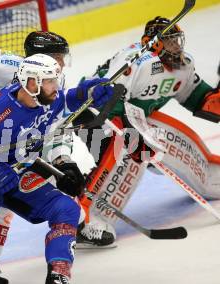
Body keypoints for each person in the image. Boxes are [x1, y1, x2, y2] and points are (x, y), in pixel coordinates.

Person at [0, 31, 113, 283]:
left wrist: (63, 160)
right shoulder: (7, 78)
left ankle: (59, 272)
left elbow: (56, 118)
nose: (61, 66)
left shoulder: (49, 85)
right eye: (57, 58)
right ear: (35, 73)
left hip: (16, 157)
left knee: (65, 207)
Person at [75, 16, 219, 247]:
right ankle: (87, 220)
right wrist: (133, 134)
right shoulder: (137, 62)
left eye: (177, 40)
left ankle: (213, 179)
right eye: (170, 40)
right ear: (155, 43)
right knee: (124, 156)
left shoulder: (183, 65)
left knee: (171, 138)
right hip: (92, 115)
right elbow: (109, 100)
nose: (176, 46)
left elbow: (201, 100)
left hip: (136, 119)